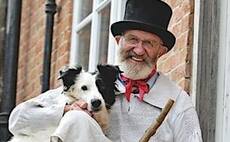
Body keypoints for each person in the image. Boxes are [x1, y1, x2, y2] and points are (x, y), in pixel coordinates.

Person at [8, 0, 203, 142]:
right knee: (77, 119)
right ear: (119, 41)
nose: (138, 50)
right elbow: (18, 120)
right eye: (132, 39)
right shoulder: (89, 85)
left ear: (161, 51)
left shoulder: (177, 100)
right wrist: (65, 110)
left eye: (149, 43)